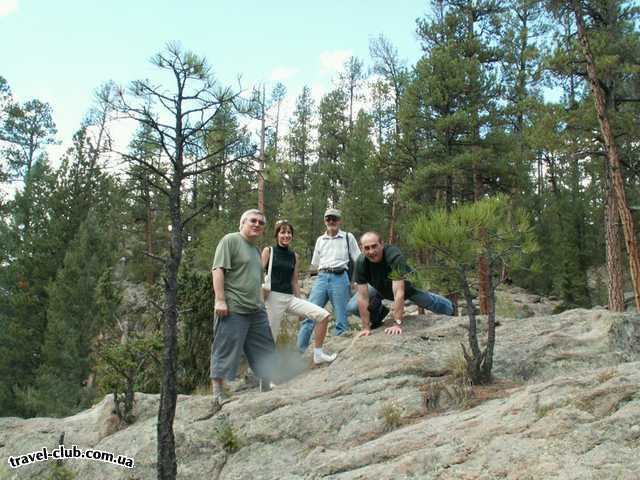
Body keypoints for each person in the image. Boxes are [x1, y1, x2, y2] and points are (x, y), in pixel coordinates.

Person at [210, 209, 276, 410]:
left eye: (261, 223)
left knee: (265, 349)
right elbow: (218, 269)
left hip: (256, 309)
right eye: (252, 221)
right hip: (233, 307)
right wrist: (220, 300)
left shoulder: (256, 250)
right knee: (225, 348)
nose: (257, 224)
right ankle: (218, 394)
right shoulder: (230, 240)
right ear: (242, 223)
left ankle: (265, 388)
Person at [346, 231, 454, 337]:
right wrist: (366, 327)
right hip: (379, 286)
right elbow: (362, 297)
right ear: (361, 248)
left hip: (407, 284)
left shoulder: (394, 256)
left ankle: (451, 308)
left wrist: (397, 323)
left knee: (429, 302)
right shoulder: (361, 262)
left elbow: (399, 292)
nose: (371, 251)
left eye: (374, 246)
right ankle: (379, 315)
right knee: (352, 307)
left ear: (382, 244)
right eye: (367, 248)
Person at [262, 220, 337, 364]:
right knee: (270, 338)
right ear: (277, 234)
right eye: (282, 232)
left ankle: (318, 354)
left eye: (289, 232)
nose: (286, 235)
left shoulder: (294, 256)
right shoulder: (269, 251)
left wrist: (300, 304)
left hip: (290, 298)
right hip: (272, 298)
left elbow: (294, 281)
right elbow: (257, 273)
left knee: (323, 315)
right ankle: (265, 377)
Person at [297, 208, 361, 353]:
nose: (331, 222)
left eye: (334, 219)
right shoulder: (320, 240)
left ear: (340, 221)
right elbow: (316, 263)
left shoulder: (347, 237)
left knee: (341, 317)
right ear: (325, 221)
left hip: (340, 277)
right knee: (309, 315)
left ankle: (339, 353)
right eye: (328, 219)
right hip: (321, 278)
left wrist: (356, 280)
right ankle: (299, 353)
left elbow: (358, 259)